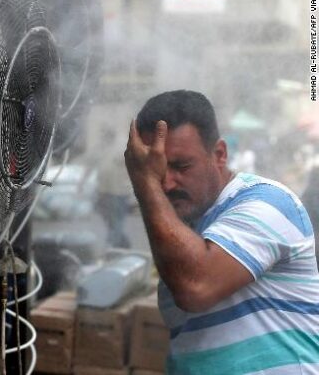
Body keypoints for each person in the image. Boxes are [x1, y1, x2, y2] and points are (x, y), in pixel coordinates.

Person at [124, 90, 319, 374]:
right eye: (156, 170)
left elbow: (196, 287)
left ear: (219, 154)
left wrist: (145, 181)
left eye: (181, 166)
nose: (166, 183)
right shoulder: (178, 241)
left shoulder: (268, 201)